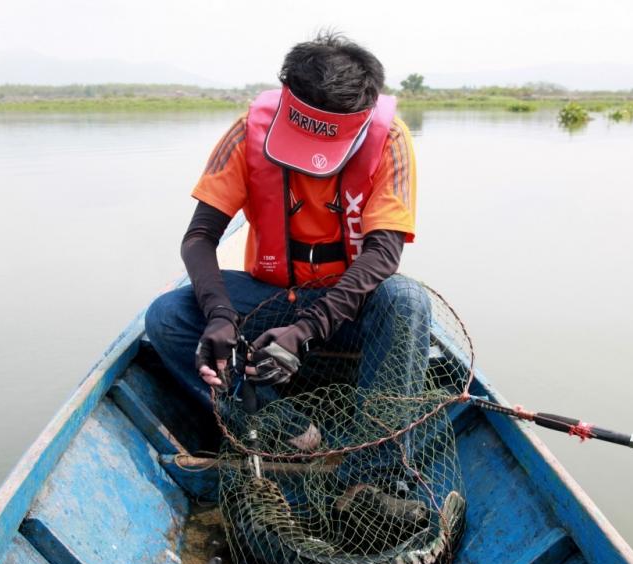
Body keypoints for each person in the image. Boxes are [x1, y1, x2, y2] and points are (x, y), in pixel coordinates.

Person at [145, 31, 427, 448]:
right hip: (272, 297)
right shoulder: (247, 133)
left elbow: (384, 253)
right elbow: (199, 237)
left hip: (349, 306)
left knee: (407, 301)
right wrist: (221, 313)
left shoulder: (391, 139)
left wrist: (305, 331)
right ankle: (281, 423)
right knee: (168, 316)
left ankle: (376, 467)